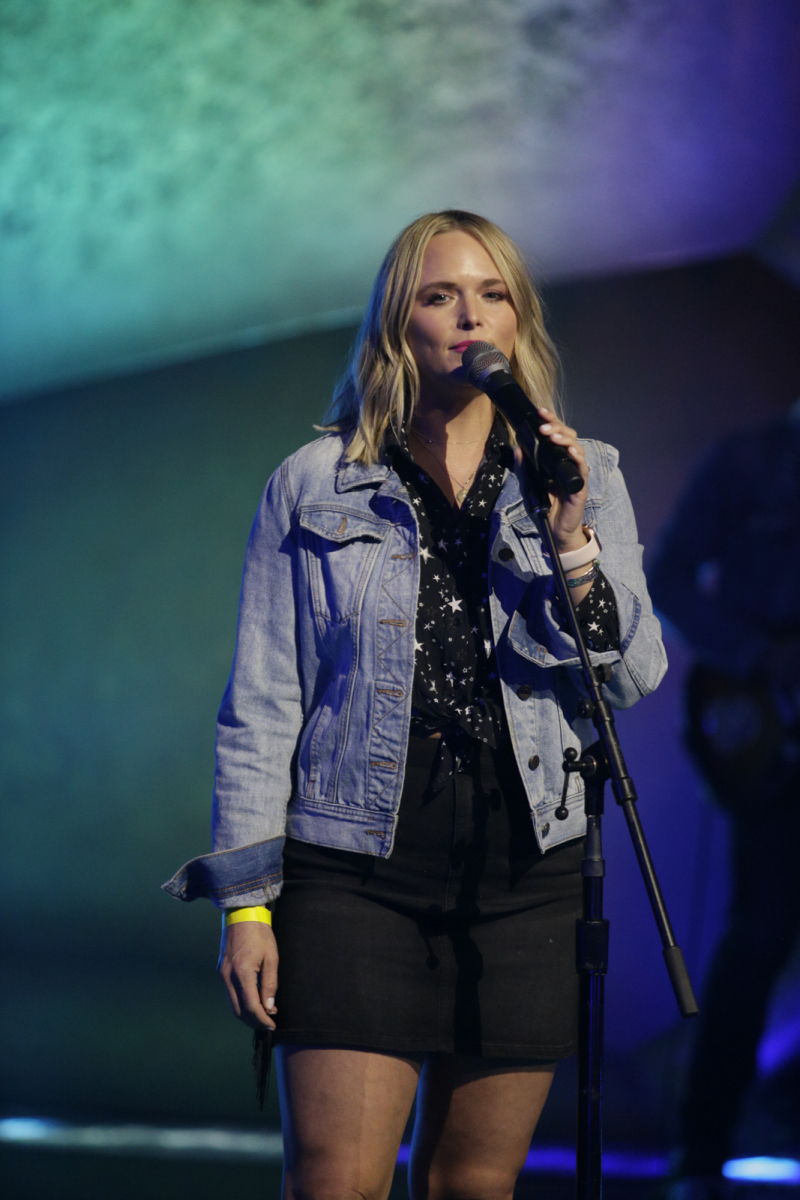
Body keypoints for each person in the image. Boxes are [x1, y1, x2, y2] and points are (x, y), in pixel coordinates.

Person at [164, 209, 666, 1200]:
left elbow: (629, 674)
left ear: (517, 323)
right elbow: (262, 702)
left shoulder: (584, 474)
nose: (469, 317)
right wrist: (246, 905)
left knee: (473, 1184)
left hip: (527, 867)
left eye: (492, 296)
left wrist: (571, 539)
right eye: (441, 296)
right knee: (336, 1180)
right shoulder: (314, 483)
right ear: (398, 322)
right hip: (357, 870)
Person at [649, 406, 800, 1190]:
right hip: (764, 734)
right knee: (758, 935)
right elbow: (665, 576)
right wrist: (757, 656)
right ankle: (701, 1150)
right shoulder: (746, 462)